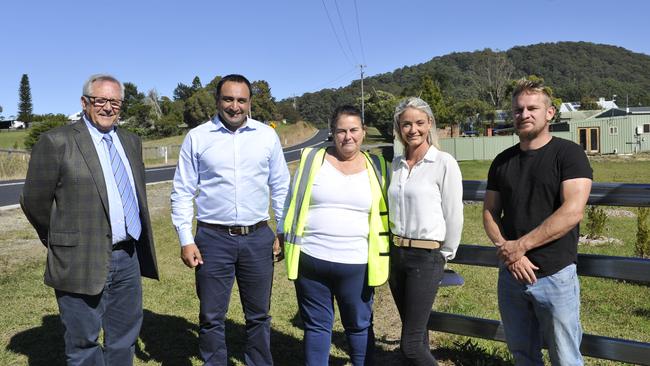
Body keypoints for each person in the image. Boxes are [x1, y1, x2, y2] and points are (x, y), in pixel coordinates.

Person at [20, 74, 159, 365]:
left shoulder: (131, 141)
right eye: (101, 101)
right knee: (83, 345)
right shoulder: (57, 141)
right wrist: (60, 239)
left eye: (115, 102)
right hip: (80, 258)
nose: (108, 108)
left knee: (124, 339)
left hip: (128, 258)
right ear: (85, 103)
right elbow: (34, 201)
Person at [171, 74, 290, 366]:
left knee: (259, 315)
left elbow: (281, 186)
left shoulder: (266, 136)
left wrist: (283, 231)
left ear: (250, 102)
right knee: (211, 316)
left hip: (258, 237)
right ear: (217, 101)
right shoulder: (197, 138)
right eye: (228, 99)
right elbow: (182, 191)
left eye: (241, 100)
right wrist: (186, 239)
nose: (234, 106)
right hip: (212, 239)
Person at [483, 78, 592, 365]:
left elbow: (572, 211)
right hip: (511, 275)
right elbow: (490, 212)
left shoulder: (569, 154)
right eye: (518, 110)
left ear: (550, 113)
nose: (524, 114)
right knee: (522, 356)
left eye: (533, 108)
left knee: (565, 357)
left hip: (555, 275)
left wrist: (520, 247)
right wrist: (508, 251)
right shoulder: (502, 161)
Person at [282, 105, 390, 365]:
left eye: (354, 130)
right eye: (341, 130)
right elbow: (291, 200)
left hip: (357, 264)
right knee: (317, 327)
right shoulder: (312, 159)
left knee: (358, 326)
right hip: (311, 259)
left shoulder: (378, 166)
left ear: (363, 132)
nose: (347, 136)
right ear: (332, 133)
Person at [388, 97, 464, 365]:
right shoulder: (396, 165)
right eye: (406, 124)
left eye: (419, 122)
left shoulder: (443, 163)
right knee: (418, 338)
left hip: (426, 257)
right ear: (399, 127)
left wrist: (444, 254)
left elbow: (454, 214)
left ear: (429, 123)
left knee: (409, 345)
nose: (413, 129)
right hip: (396, 256)